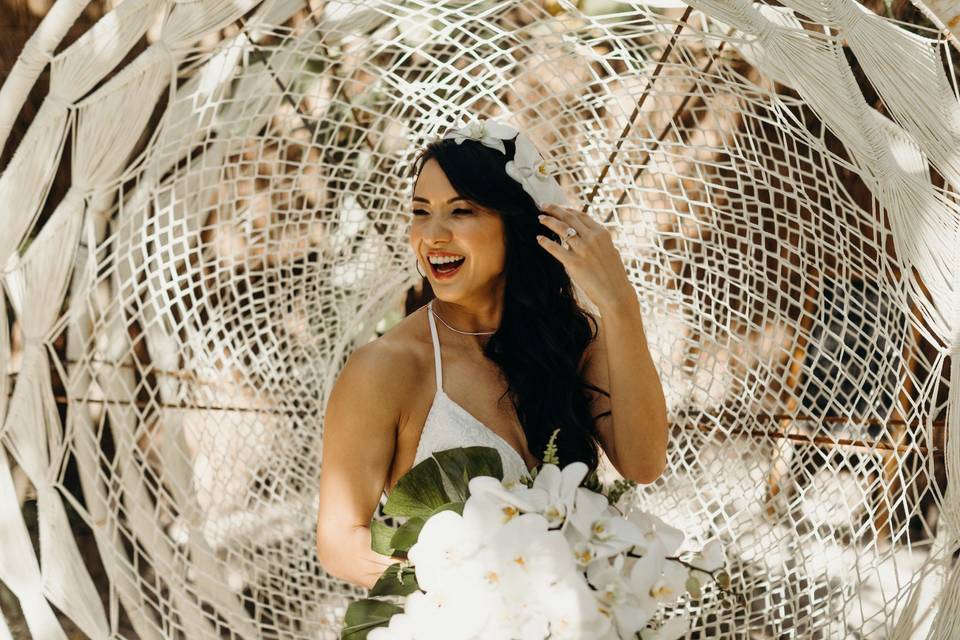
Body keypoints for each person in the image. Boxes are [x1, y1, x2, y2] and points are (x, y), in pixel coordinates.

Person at [316, 119, 669, 590]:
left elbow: (643, 464)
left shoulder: (572, 341)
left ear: (517, 224)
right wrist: (470, 595)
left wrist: (621, 307)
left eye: (460, 211)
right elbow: (341, 544)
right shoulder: (387, 367)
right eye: (421, 212)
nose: (433, 235)